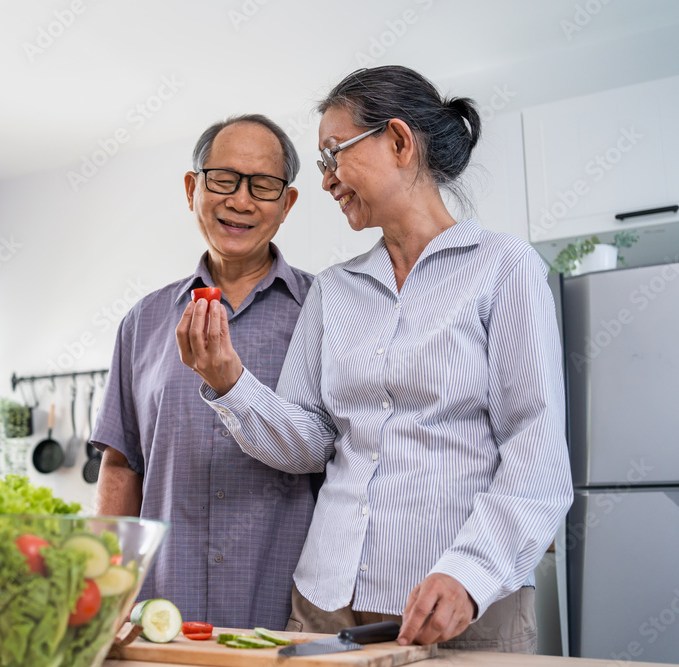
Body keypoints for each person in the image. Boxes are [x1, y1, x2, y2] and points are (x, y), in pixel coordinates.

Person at [176, 66, 573, 653]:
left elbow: (534, 453)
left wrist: (468, 574)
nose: (327, 181)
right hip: (325, 601)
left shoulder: (504, 269)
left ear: (399, 141)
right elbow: (310, 444)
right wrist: (228, 382)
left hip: (459, 605)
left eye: (334, 155)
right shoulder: (335, 291)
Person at [90, 114, 317, 631]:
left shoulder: (326, 310)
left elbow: (340, 456)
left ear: (287, 204)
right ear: (193, 188)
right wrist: (105, 585)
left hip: (288, 612)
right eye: (223, 180)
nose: (241, 201)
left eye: (263, 186)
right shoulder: (143, 321)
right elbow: (122, 467)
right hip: (161, 610)